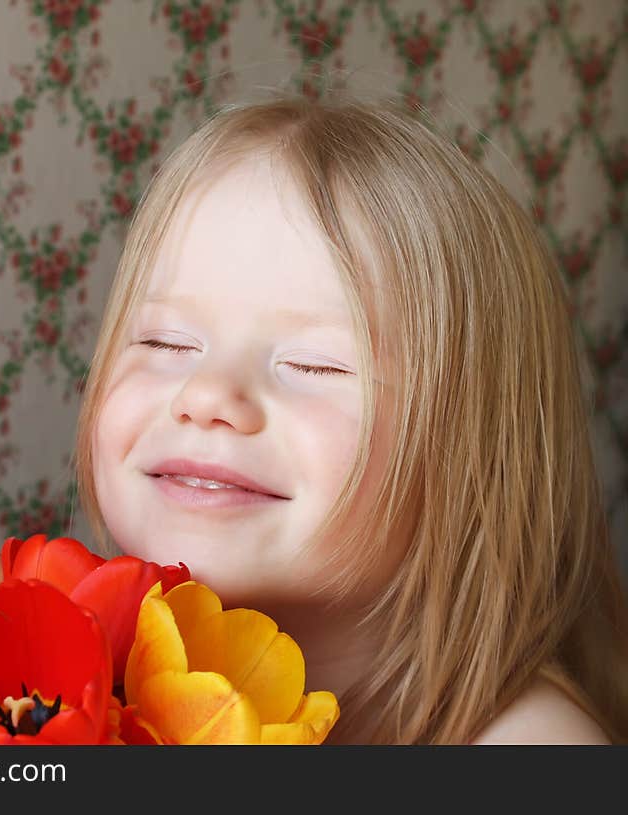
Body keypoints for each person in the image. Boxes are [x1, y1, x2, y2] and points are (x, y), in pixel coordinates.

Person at [71, 89, 628, 744]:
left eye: (315, 365)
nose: (207, 394)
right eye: (165, 342)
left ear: (475, 456)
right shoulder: (74, 689)